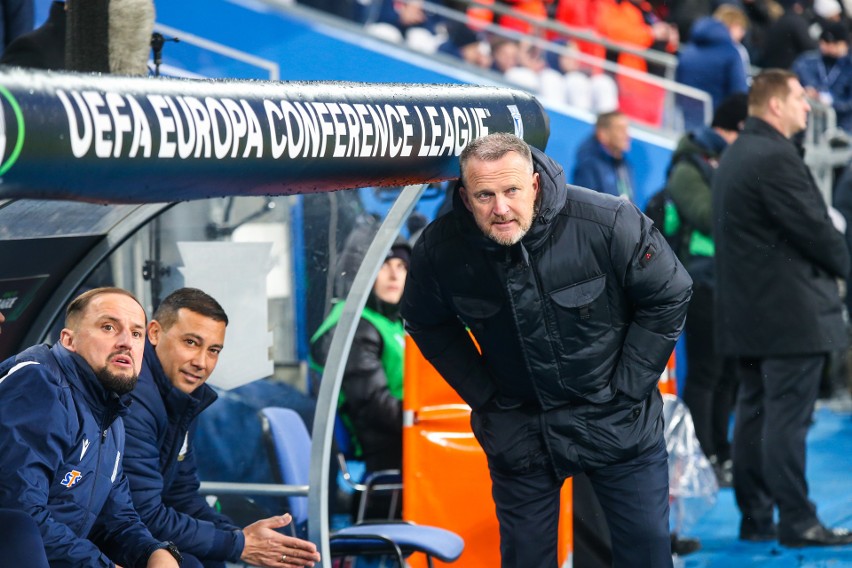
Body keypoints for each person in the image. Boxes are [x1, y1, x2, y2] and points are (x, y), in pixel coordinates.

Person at [401, 132, 693, 567]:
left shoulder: (608, 221)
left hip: (617, 420)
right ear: (464, 197)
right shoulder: (441, 249)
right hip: (522, 430)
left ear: (534, 184)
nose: (500, 208)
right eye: (485, 195)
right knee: (525, 560)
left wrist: (627, 387)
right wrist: (485, 396)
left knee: (647, 551)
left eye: (511, 190)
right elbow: (425, 320)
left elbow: (670, 293)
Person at [713, 68, 852, 547]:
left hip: (752, 315)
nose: (807, 107)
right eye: (798, 98)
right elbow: (819, 234)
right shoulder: (774, 158)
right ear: (775, 105)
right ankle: (798, 520)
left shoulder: (738, 155)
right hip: (790, 317)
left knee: (754, 417)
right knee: (786, 423)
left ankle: (756, 517)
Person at [122, 287, 321, 567]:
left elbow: (182, 496)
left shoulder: (182, 398)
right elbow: (141, 513)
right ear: (154, 333)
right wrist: (238, 545)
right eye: (191, 342)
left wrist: (239, 536)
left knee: (209, 557)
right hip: (106, 536)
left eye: (213, 350)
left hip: (139, 530)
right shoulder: (135, 401)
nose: (201, 362)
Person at [0, 287, 181, 566]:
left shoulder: (111, 410)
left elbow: (117, 519)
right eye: (109, 327)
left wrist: (154, 552)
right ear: (68, 340)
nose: (126, 343)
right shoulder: (40, 384)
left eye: (136, 333)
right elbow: (21, 516)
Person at [666, 93, 749, 487]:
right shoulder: (687, 168)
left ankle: (721, 449)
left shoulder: (719, 163)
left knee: (729, 374)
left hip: (727, 281)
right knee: (705, 374)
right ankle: (703, 453)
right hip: (701, 282)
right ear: (729, 130)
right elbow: (705, 216)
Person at [310, 219, 410, 520]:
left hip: (403, 442)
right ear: (362, 272)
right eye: (384, 264)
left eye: (402, 267)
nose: (394, 274)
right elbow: (374, 406)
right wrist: (425, 424)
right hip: (387, 455)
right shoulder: (356, 326)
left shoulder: (390, 322)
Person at [675, 8, 749, 130]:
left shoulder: (689, 48)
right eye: (741, 29)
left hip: (683, 120)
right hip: (714, 125)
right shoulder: (732, 53)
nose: (743, 34)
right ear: (732, 26)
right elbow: (739, 94)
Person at [792, 20, 852, 133]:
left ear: (845, 44)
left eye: (835, 43)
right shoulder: (806, 62)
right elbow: (790, 86)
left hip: (843, 128)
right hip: (808, 128)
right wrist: (804, 93)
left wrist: (830, 102)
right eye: (825, 42)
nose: (829, 47)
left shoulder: (849, 66)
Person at [571, 110, 635, 201]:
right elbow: (585, 206)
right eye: (620, 129)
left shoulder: (626, 166)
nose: (627, 135)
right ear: (603, 134)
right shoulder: (589, 166)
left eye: (627, 129)